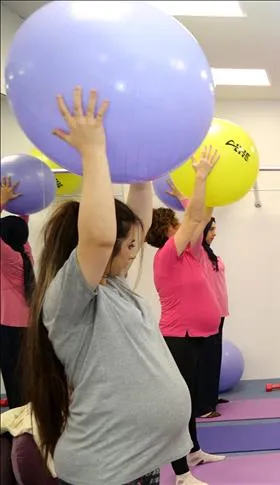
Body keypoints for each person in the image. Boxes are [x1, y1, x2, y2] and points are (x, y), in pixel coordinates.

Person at [21, 87, 194, 485]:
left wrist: (143, 170)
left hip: (135, 468)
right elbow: (99, 238)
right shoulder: (70, 299)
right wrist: (93, 151)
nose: (136, 251)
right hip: (105, 473)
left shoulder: (112, 287)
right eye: (129, 245)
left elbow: (134, 221)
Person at [146, 145, 225, 483]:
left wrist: (188, 197)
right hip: (178, 337)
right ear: (167, 232)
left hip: (198, 336)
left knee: (191, 401)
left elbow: (202, 214)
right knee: (180, 405)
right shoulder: (166, 256)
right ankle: (181, 474)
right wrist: (200, 175)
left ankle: (193, 451)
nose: (183, 227)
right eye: (176, 224)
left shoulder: (190, 254)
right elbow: (195, 219)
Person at [1, 176, 34, 409]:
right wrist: (21, 205)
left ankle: (18, 431)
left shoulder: (8, 257)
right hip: (27, 328)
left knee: (13, 384)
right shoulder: (25, 253)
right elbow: (21, 227)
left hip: (7, 329)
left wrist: (3, 200)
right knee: (24, 383)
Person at [196, 216, 231, 417]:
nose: (215, 233)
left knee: (214, 356)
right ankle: (202, 407)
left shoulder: (210, 254)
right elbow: (196, 222)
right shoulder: (198, 253)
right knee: (205, 358)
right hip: (207, 313)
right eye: (211, 229)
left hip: (219, 312)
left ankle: (211, 398)